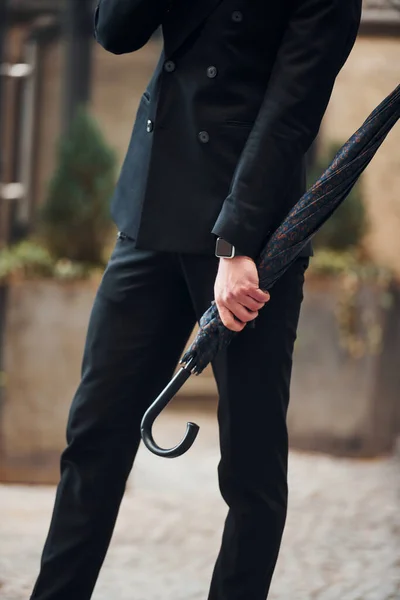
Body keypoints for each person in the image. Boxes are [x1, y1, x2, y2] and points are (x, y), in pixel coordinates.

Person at [30, 1, 362, 598]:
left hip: (254, 240)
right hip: (152, 210)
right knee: (94, 438)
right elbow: (114, 31)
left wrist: (235, 241)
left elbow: (294, 104)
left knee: (250, 470)